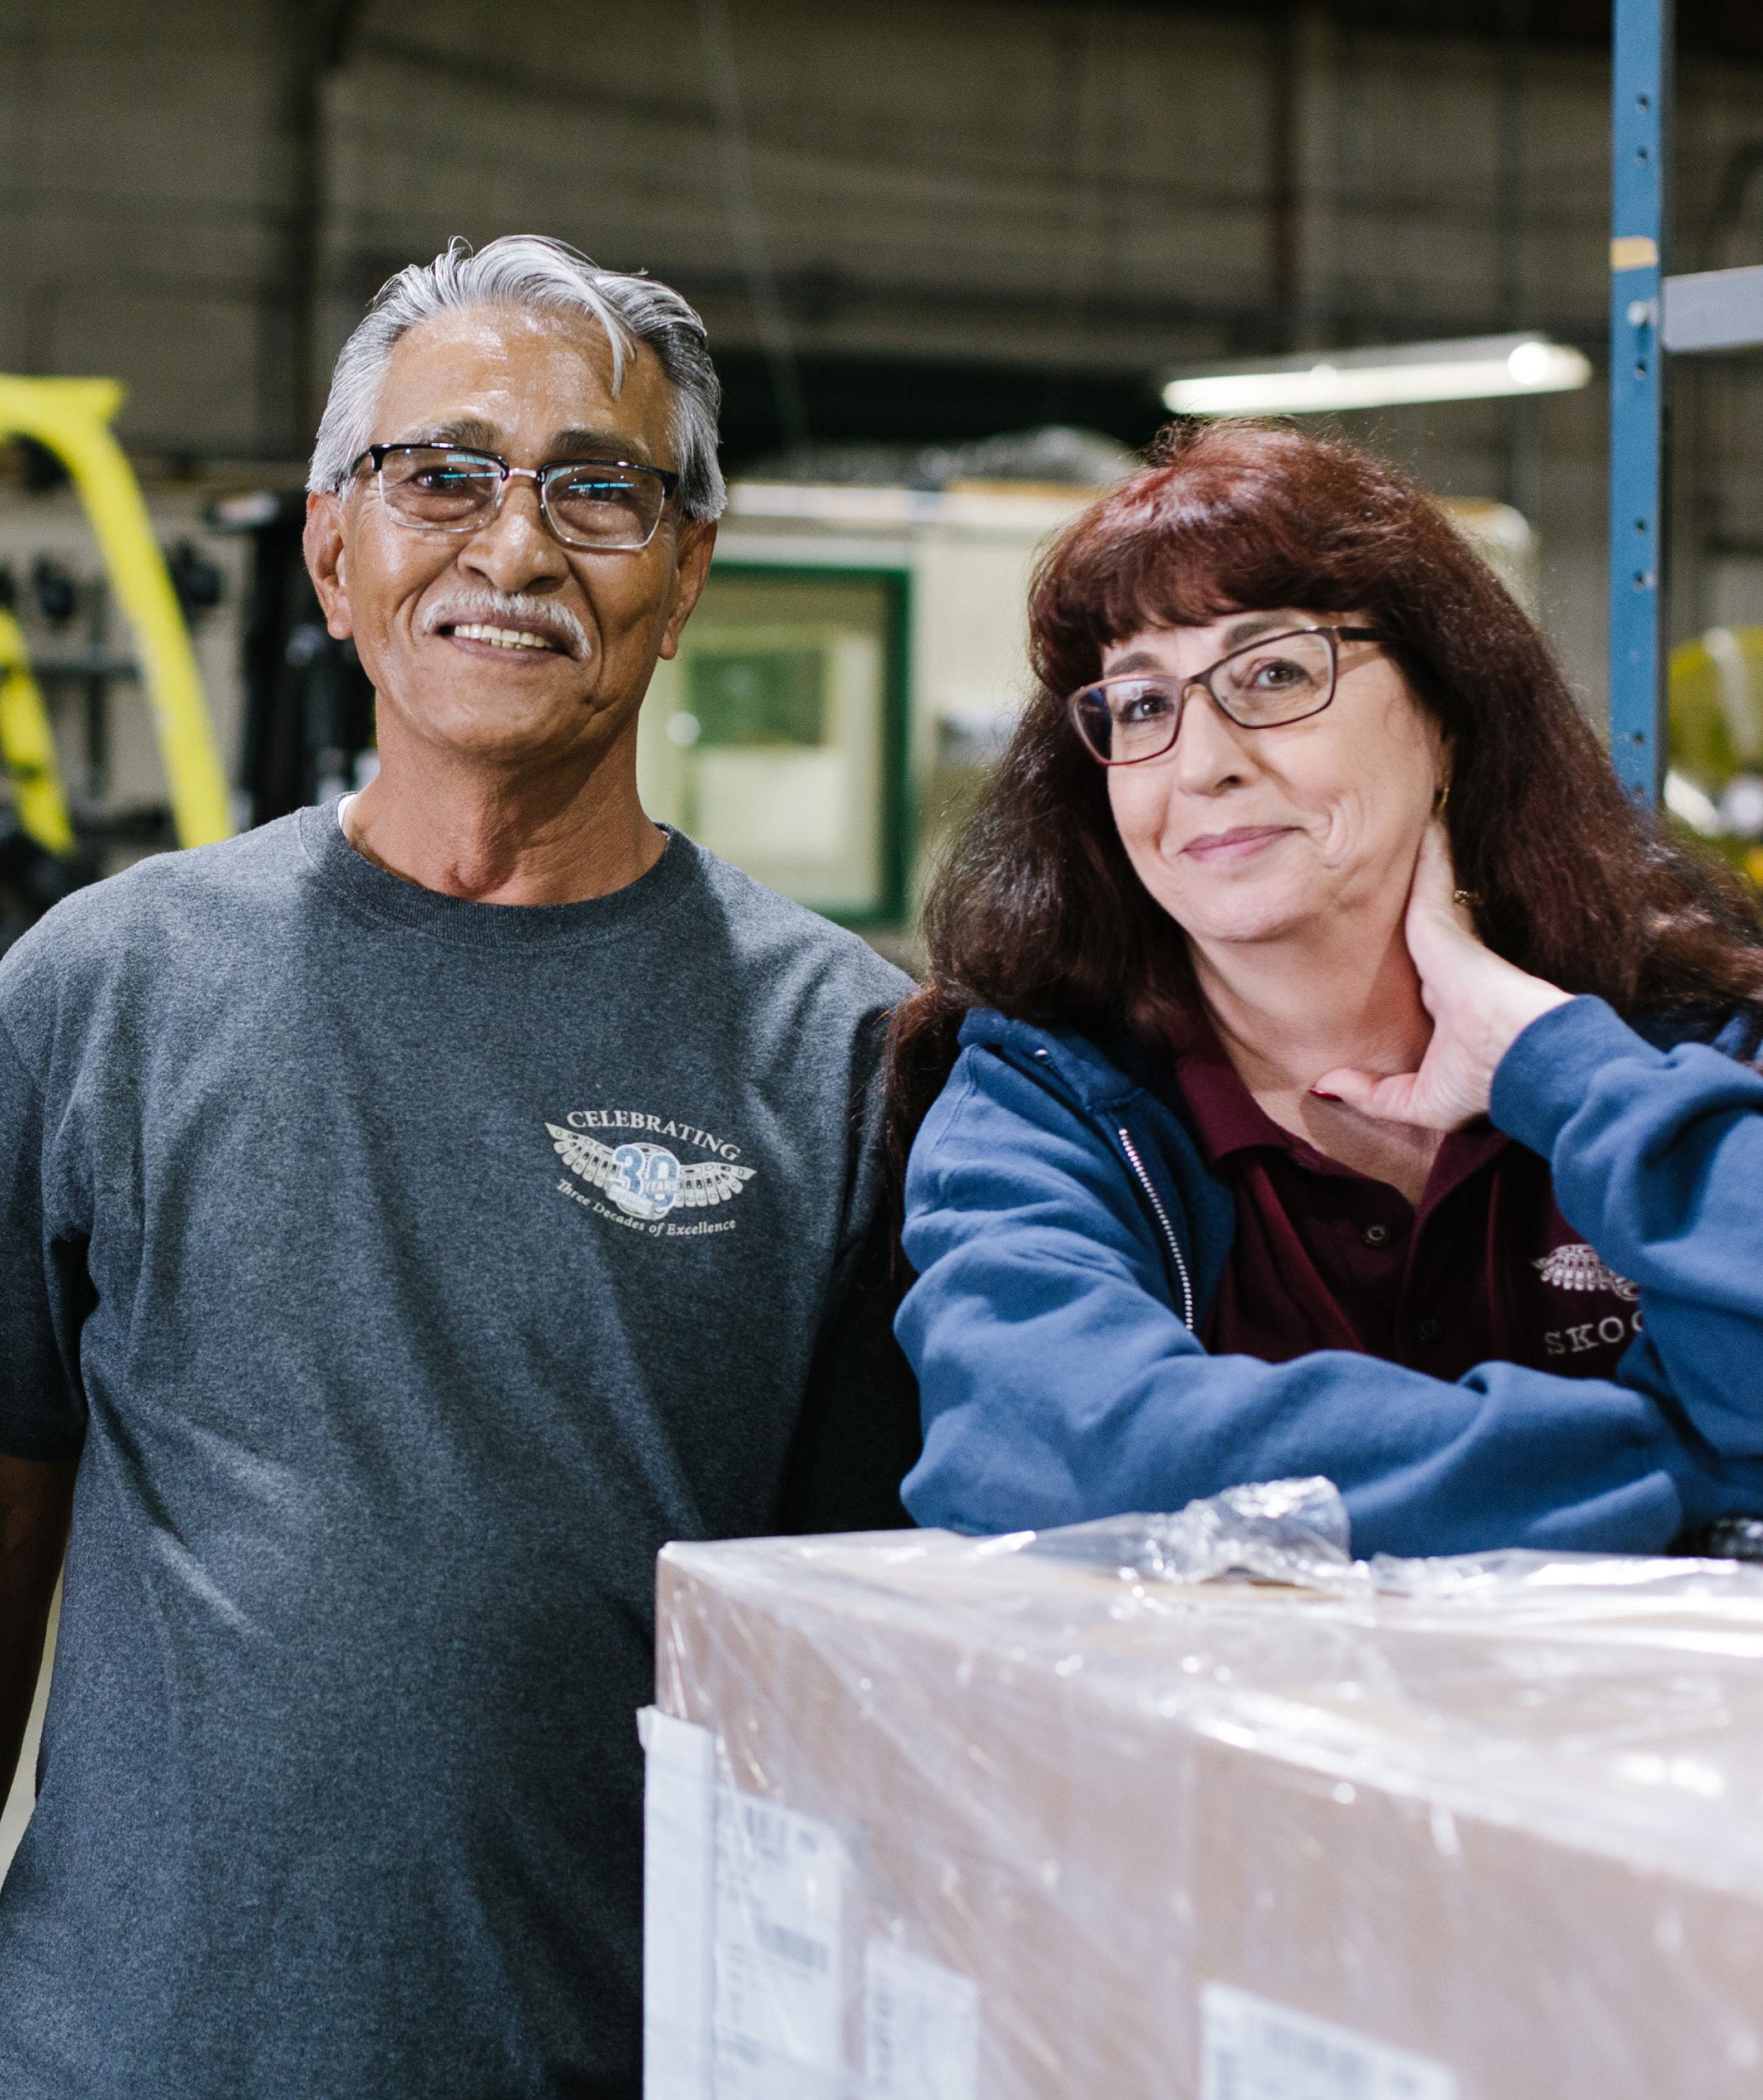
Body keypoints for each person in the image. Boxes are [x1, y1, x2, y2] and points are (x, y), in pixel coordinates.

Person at [0, 235, 917, 2099]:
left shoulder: (846, 1058)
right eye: (445, 474)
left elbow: (854, 1686)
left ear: (683, 579)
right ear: (337, 555)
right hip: (116, 2057)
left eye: (598, 488)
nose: (513, 550)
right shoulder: (104, 987)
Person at [889, 420, 1763, 1556]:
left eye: (1275, 673)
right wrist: (1680, 1461)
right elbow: (1075, 1456)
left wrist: (1555, 1066)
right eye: (1143, 705)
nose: (1203, 763)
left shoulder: (1683, 1032)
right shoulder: (1048, 1101)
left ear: (1447, 717)